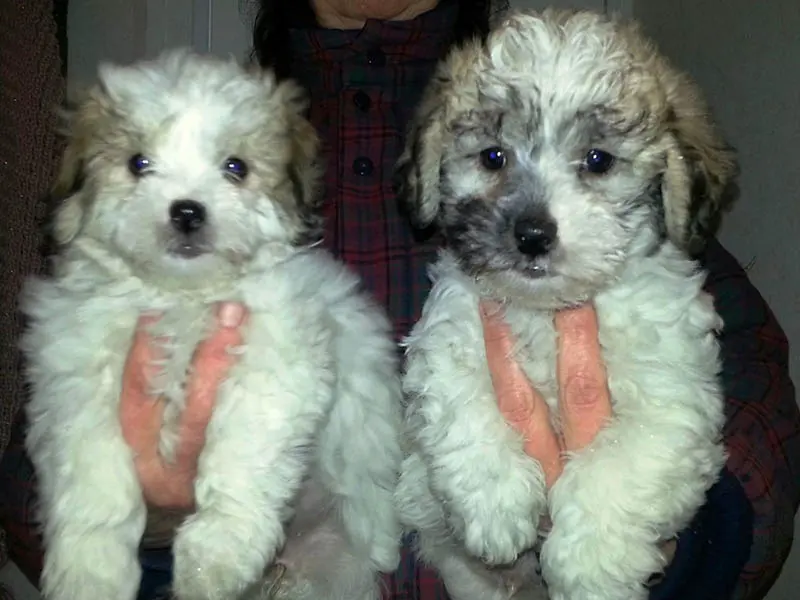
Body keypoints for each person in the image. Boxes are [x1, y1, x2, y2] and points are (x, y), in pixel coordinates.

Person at [118, 1, 800, 599]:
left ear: (668, 180)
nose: (532, 216)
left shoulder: (659, 261)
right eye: (495, 160)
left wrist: (654, 539)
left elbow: (756, 421)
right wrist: (154, 516)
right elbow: (36, 485)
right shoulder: (186, 153)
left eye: (595, 164)